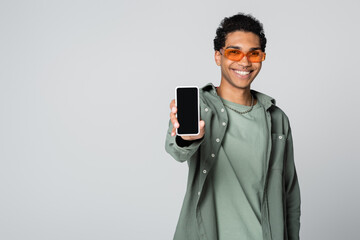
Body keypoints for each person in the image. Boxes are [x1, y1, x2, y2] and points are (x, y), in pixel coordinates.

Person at [165, 13, 301, 240]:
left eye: (254, 53)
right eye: (234, 52)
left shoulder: (277, 118)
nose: (245, 62)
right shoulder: (199, 106)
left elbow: (290, 195)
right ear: (218, 57)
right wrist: (186, 138)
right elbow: (177, 150)